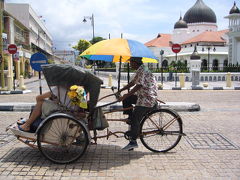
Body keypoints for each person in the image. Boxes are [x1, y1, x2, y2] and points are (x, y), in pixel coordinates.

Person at [117, 57, 158, 151]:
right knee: (127, 100)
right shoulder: (140, 70)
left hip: (147, 98)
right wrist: (121, 90)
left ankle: (133, 142)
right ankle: (130, 118)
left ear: (135, 63)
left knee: (136, 118)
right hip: (142, 96)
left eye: (130, 63)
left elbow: (138, 85)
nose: (130, 65)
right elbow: (132, 82)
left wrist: (126, 94)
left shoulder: (143, 70)